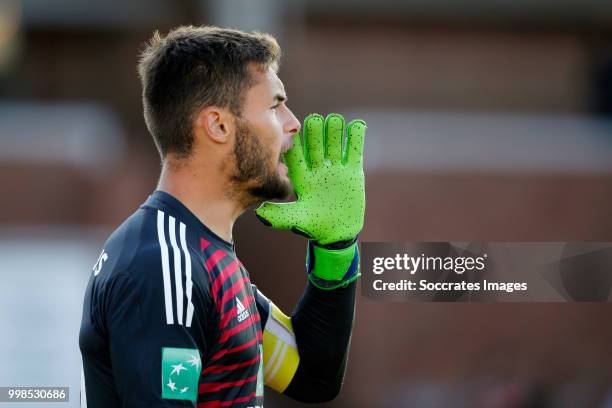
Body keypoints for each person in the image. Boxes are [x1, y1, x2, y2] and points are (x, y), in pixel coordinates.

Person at [79, 25, 366, 407]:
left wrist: (335, 250)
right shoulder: (163, 265)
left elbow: (313, 377)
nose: (293, 123)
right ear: (218, 125)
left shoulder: (207, 258)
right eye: (274, 106)